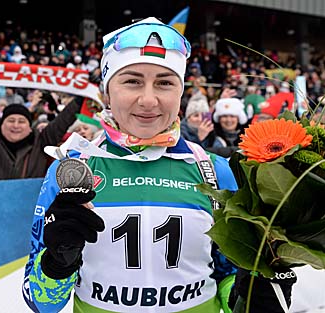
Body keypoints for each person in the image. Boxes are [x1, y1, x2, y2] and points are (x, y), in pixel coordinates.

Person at [22, 17, 296, 313]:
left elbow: (226, 274)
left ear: (180, 93)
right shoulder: (73, 171)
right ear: (106, 93)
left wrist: (247, 297)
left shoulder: (213, 170)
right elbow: (39, 302)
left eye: (164, 83)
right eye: (132, 81)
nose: (149, 100)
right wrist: (57, 263)